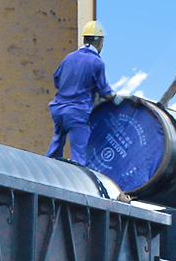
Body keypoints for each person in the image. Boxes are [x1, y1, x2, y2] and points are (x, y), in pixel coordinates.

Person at [47, 20, 123, 164]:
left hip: (58, 110)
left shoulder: (69, 58)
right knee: (78, 155)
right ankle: (77, 175)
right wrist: (116, 97)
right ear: (100, 41)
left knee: (57, 142)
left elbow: (57, 81)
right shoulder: (97, 62)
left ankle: (48, 167)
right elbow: (105, 92)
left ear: (85, 39)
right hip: (77, 113)